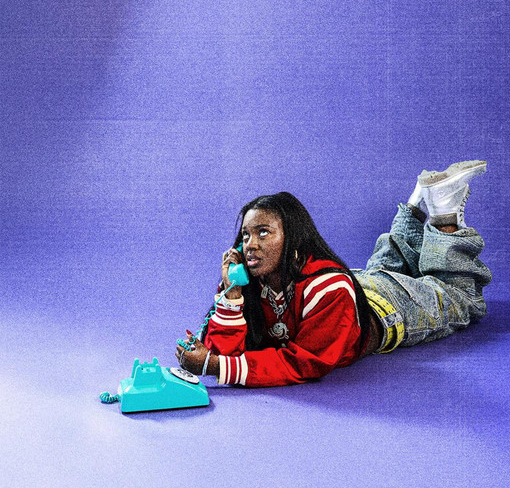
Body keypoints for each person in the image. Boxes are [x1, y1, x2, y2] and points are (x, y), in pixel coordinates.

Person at [175, 160, 492, 387]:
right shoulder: (249, 282)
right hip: (356, 290)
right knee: (382, 270)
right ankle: (415, 203)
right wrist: (231, 296)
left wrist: (213, 365)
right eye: (245, 235)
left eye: (263, 233)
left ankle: (443, 207)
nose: (250, 245)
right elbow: (226, 352)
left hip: (387, 307)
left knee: (459, 298)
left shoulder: (329, 289)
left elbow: (306, 362)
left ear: (293, 239)